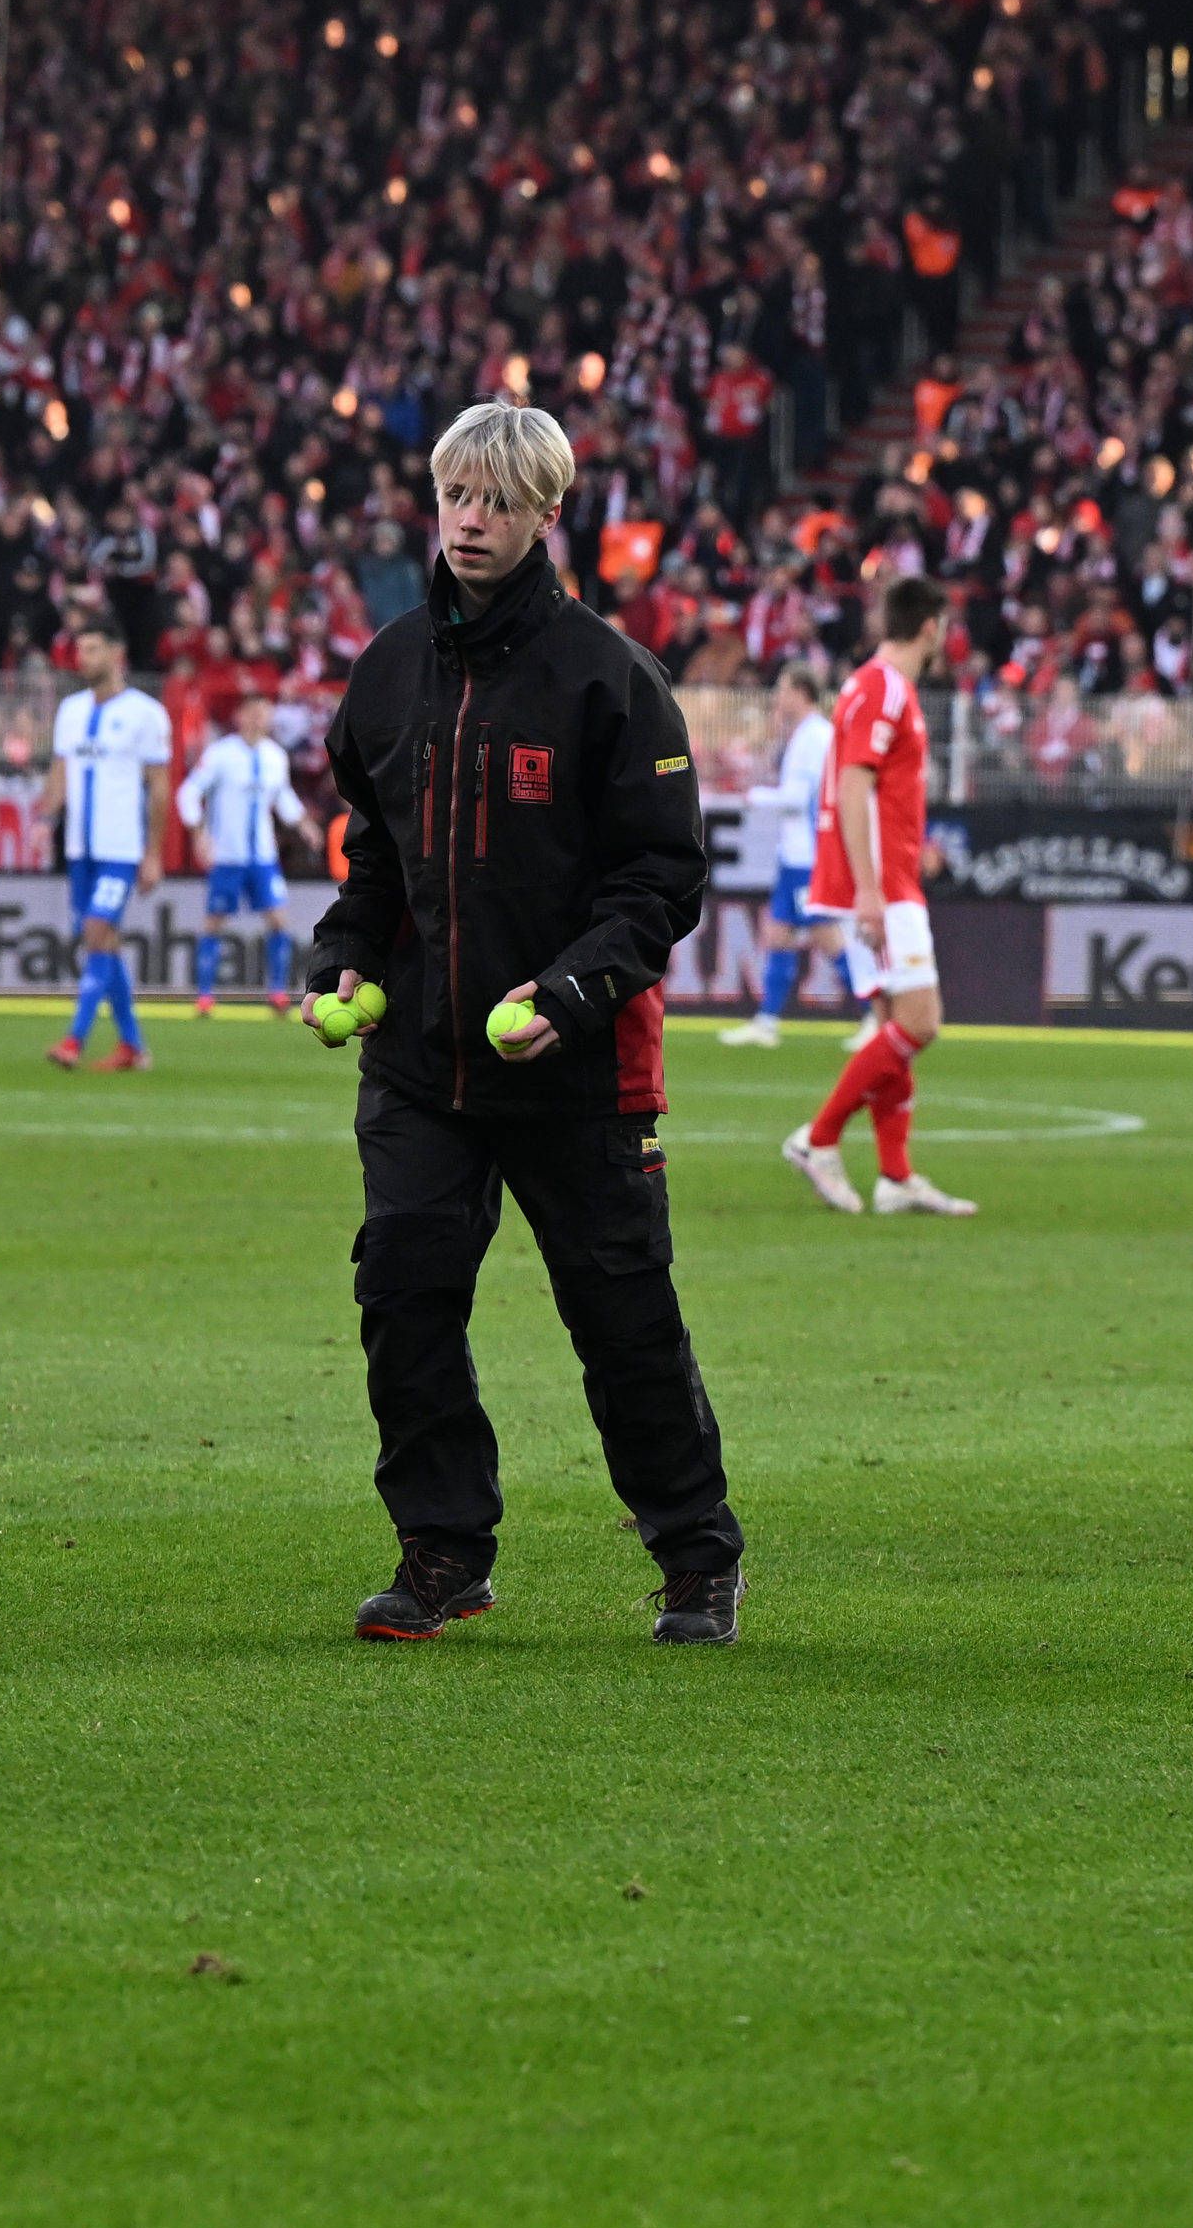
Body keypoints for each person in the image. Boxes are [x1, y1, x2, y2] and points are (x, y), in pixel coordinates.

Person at [300, 401, 745, 1647]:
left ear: (550, 512)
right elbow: (374, 860)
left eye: (499, 500)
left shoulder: (610, 676)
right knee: (403, 1285)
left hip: (580, 1065)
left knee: (621, 1317)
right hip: (420, 1063)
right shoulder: (388, 669)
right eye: (457, 494)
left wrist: (570, 994)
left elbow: (662, 882)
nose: (472, 518)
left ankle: (695, 1556)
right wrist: (343, 954)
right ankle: (442, 1551)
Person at [787, 580, 976, 1219]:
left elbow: (880, 791)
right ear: (930, 625)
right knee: (921, 1022)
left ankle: (895, 1178)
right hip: (882, 890)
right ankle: (818, 1139)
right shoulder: (883, 686)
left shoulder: (883, 688)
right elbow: (853, 783)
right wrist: (870, 890)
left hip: (891, 878)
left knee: (899, 1023)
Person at [47, 620, 175, 1070]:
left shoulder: (146, 713)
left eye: (93, 649)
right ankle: (133, 1047)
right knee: (104, 941)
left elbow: (159, 786)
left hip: (121, 849)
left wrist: (153, 852)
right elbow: (61, 770)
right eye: (80, 650)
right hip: (80, 848)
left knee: (97, 933)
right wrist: (45, 819)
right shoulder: (71, 710)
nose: (83, 658)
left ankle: (73, 1040)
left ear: (116, 654)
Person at [719, 659, 860, 1047]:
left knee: (825, 933)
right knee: (777, 934)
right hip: (796, 854)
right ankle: (767, 1021)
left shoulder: (814, 737)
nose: (778, 697)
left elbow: (799, 800)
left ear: (801, 692)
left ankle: (874, 1014)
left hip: (809, 856)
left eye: (782, 689)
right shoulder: (806, 734)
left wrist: (756, 797)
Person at [178, 687, 305, 1016]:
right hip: (228, 856)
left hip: (262, 856)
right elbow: (190, 792)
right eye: (253, 711)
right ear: (239, 716)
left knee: (278, 920)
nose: (259, 718)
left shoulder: (275, 756)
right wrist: (198, 832)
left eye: (264, 711)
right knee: (214, 922)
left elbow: (282, 797)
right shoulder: (221, 754)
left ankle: (277, 992)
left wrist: (304, 823)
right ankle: (205, 995)